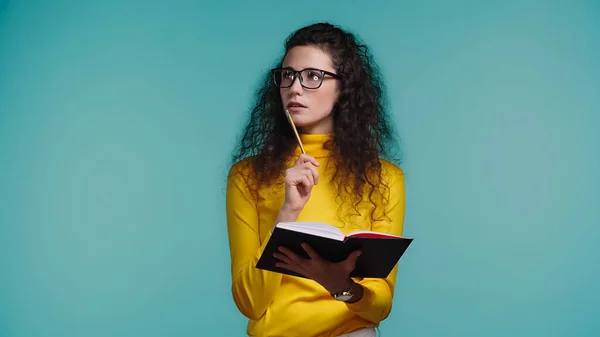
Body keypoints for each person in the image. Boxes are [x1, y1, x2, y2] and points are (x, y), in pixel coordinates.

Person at [225, 22, 406, 337]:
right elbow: (250, 304)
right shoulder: (247, 176)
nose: (295, 88)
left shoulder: (385, 178)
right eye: (288, 75)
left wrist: (342, 287)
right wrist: (287, 214)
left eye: (313, 76)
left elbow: (381, 307)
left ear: (343, 88)